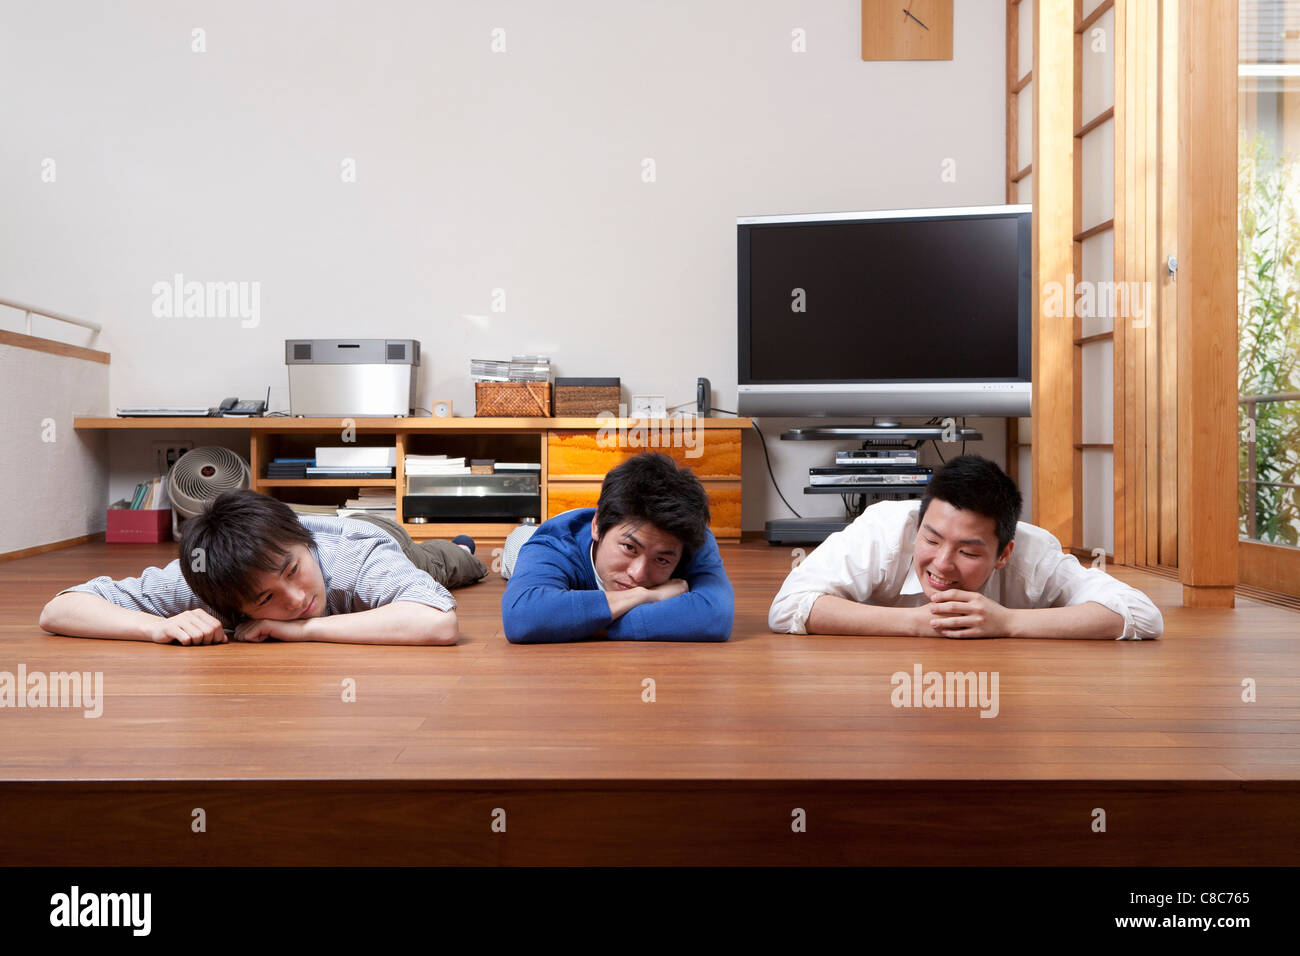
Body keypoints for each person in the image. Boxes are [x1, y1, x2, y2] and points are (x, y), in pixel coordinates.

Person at [768, 454, 1164, 640]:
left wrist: (1008, 623)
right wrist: (913, 624)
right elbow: (788, 605)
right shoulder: (884, 530)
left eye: (968, 552)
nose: (941, 563)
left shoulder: (1032, 553)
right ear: (919, 523)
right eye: (931, 539)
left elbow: (1143, 615)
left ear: (1004, 553)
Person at [38, 489, 476, 646]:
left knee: (446, 562)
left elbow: (438, 624)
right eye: (266, 599)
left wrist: (299, 631)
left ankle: (460, 543)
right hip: (299, 532)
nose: (298, 599)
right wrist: (153, 628)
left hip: (376, 533)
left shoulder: (356, 560)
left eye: (292, 572)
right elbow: (59, 610)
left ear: (303, 545)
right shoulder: (210, 576)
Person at [502, 452, 733, 643]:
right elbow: (522, 616)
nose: (638, 574)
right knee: (520, 537)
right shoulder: (554, 543)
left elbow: (717, 615)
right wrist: (645, 596)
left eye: (661, 560)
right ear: (597, 526)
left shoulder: (690, 535)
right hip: (532, 537)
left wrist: (574, 622)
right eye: (629, 548)